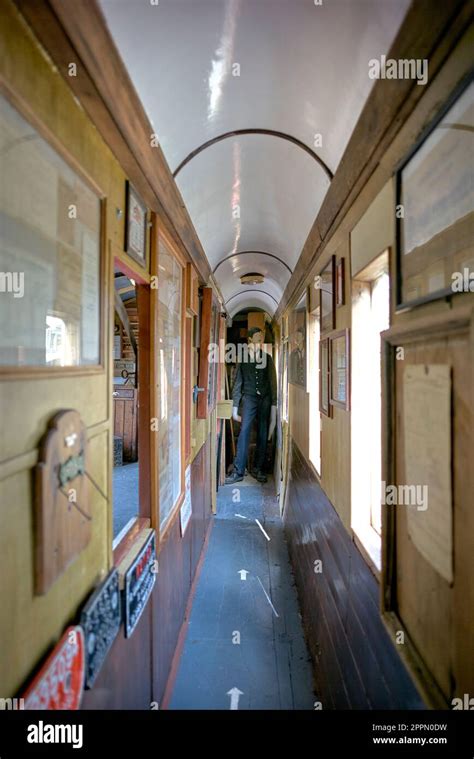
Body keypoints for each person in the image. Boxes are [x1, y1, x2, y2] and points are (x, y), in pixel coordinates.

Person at [225, 327, 277, 484]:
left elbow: (273, 384)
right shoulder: (242, 359)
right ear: (249, 339)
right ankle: (238, 471)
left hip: (265, 400)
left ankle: (258, 469)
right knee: (244, 432)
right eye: (257, 338)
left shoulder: (267, 359)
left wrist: (274, 407)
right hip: (249, 399)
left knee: (262, 433)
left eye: (261, 338)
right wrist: (235, 410)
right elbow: (237, 385)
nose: (259, 341)